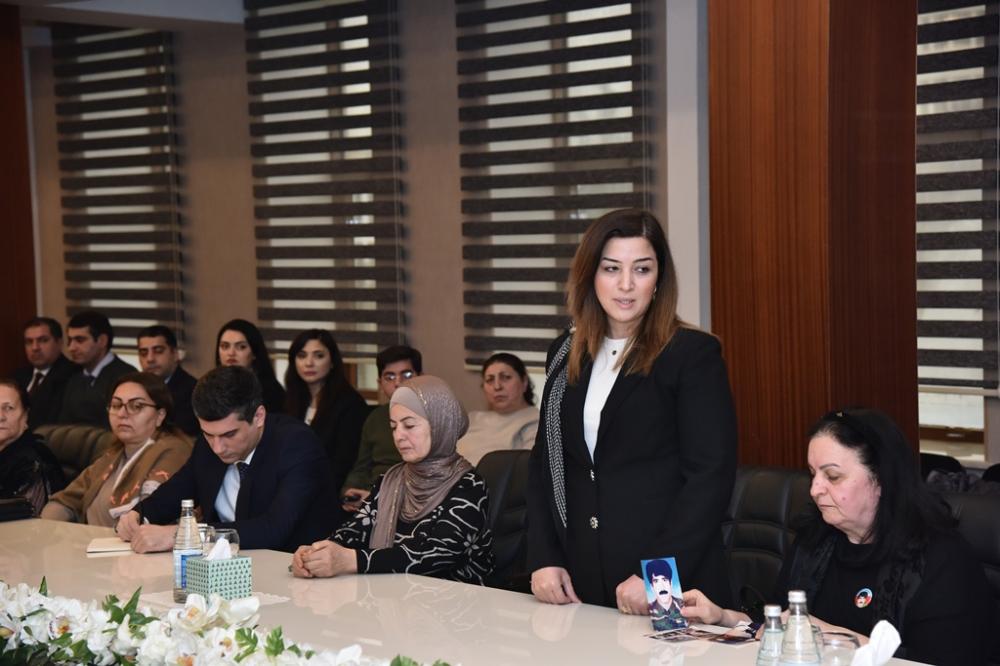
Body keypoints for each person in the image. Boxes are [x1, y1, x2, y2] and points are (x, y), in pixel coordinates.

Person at [527, 208, 738, 612]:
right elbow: (545, 462)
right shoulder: (565, 352)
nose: (626, 285)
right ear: (590, 275)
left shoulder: (691, 354)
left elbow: (710, 477)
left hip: (670, 583)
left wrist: (655, 574)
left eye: (641, 269)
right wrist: (543, 556)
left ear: (659, 278)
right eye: (611, 269)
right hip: (582, 583)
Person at [680, 408, 993, 666]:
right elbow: (779, 628)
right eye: (813, 474)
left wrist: (830, 637)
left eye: (833, 476)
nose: (815, 489)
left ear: (881, 479)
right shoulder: (815, 540)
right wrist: (722, 617)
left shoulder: (941, 560)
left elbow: (939, 661)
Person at [291, 375, 494, 584]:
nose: (398, 436)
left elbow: (436, 554)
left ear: (440, 424)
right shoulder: (391, 480)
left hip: (459, 600)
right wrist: (319, 553)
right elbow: (357, 529)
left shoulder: (469, 486)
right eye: (394, 427)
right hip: (392, 595)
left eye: (409, 425)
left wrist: (351, 560)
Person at [116, 366, 334, 553]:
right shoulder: (209, 445)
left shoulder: (297, 445)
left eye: (229, 434)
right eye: (208, 434)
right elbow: (174, 494)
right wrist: (137, 515)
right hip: (228, 569)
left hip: (298, 571)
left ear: (258, 417)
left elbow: (273, 530)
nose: (217, 447)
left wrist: (183, 535)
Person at [41, 372, 192, 527]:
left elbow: (152, 515)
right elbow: (66, 500)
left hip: (133, 542)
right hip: (89, 540)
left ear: (160, 415)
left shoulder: (173, 452)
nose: (122, 414)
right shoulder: (112, 455)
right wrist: (45, 528)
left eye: (136, 406)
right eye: (116, 405)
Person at [284, 329, 370, 499]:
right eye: (302, 356)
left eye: (319, 356)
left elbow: (343, 464)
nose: (309, 363)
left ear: (332, 362)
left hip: (327, 492)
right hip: (292, 486)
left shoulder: (350, 404)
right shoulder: (289, 400)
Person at [340, 345, 422, 513]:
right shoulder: (375, 418)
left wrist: (377, 498)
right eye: (389, 377)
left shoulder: (430, 416)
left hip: (411, 499)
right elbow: (362, 467)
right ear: (380, 384)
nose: (398, 383)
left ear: (420, 377)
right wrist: (350, 490)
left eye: (406, 375)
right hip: (372, 497)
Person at [457, 352, 538, 466]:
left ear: (524, 382)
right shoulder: (471, 418)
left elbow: (526, 468)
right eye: (489, 380)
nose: (497, 386)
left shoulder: (536, 421)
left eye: (505, 377)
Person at [57, 310, 137, 427]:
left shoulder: (126, 376)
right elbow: (63, 425)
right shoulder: (73, 376)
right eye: (70, 340)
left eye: (80, 340)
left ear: (102, 341)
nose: (71, 348)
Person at [0, 380, 64, 515]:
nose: (1, 416)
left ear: (25, 415)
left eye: (8, 408)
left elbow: (21, 517)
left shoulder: (33, 462)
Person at [13, 317, 78, 429]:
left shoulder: (74, 376)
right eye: (29, 342)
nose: (35, 348)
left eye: (43, 340)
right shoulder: (16, 377)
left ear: (59, 343)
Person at [136, 325, 199, 436]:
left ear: (175, 354)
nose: (150, 359)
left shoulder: (193, 391)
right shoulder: (136, 388)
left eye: (158, 351)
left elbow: (181, 437)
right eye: (144, 353)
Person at [215, 318, 285, 413]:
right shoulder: (210, 388)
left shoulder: (271, 392)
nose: (231, 353)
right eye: (225, 346)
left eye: (241, 347)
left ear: (254, 353)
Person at [645, 558, 685, 631]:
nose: (662, 586)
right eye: (656, 581)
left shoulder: (683, 605)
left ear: (671, 583)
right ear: (652, 587)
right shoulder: (648, 610)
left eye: (664, 580)